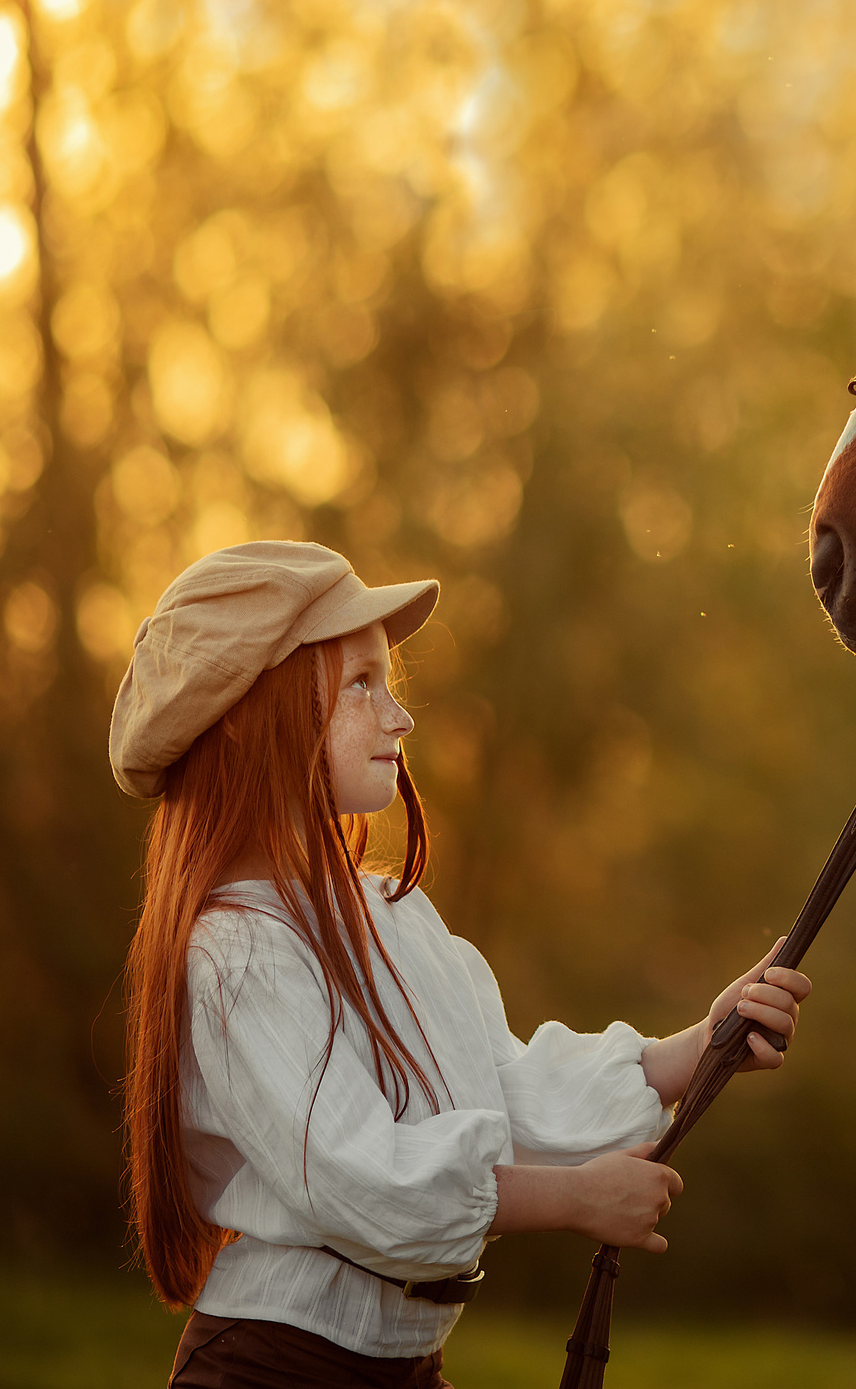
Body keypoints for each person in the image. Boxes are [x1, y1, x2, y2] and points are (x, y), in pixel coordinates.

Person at [113, 541, 809, 1387]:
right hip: (281, 1369)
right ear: (253, 714)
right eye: (361, 684)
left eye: (387, 683)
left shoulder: (390, 917)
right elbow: (360, 1176)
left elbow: (492, 1089)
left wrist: (694, 1047)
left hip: (406, 1365)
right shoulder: (238, 953)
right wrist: (574, 1199)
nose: (399, 715)